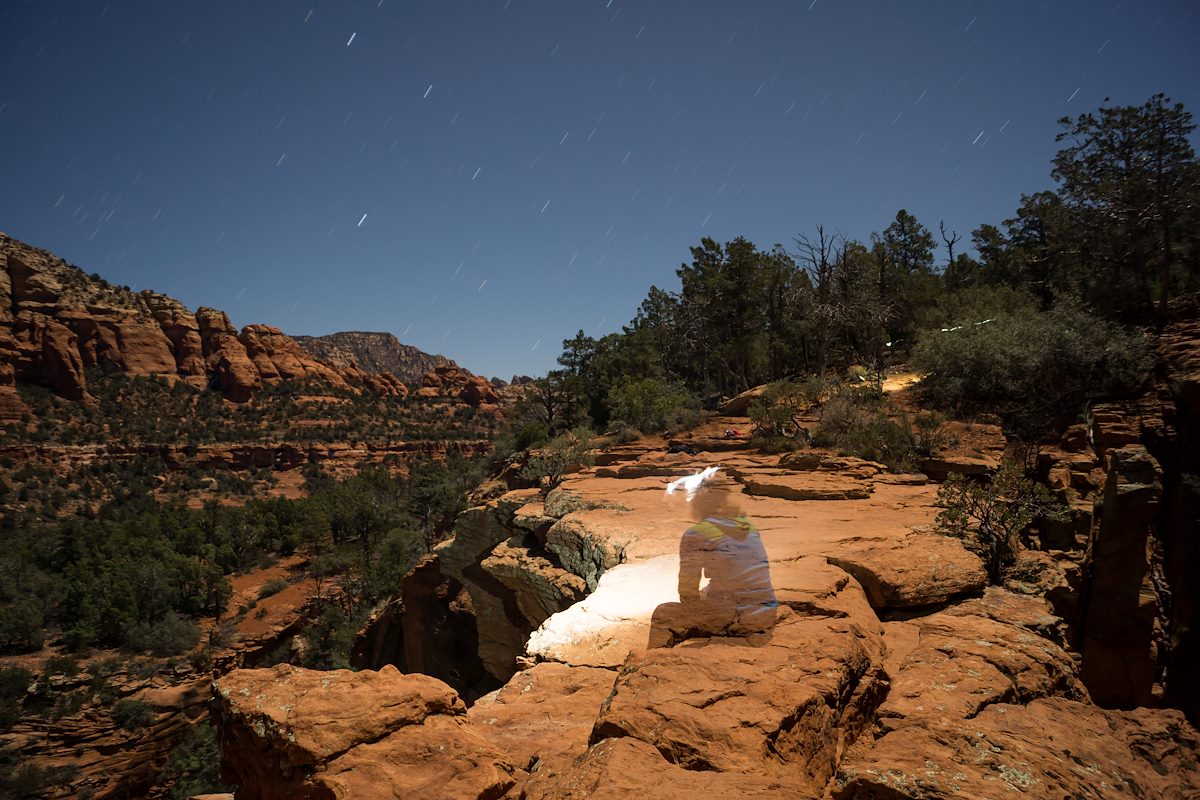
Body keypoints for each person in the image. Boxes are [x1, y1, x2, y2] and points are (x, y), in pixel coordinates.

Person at [648, 467, 777, 648]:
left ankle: (654, 664)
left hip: (737, 618)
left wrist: (691, 618)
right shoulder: (747, 526)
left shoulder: (696, 534)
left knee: (663, 614)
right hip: (765, 610)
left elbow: (687, 591)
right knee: (707, 593)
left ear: (698, 502)